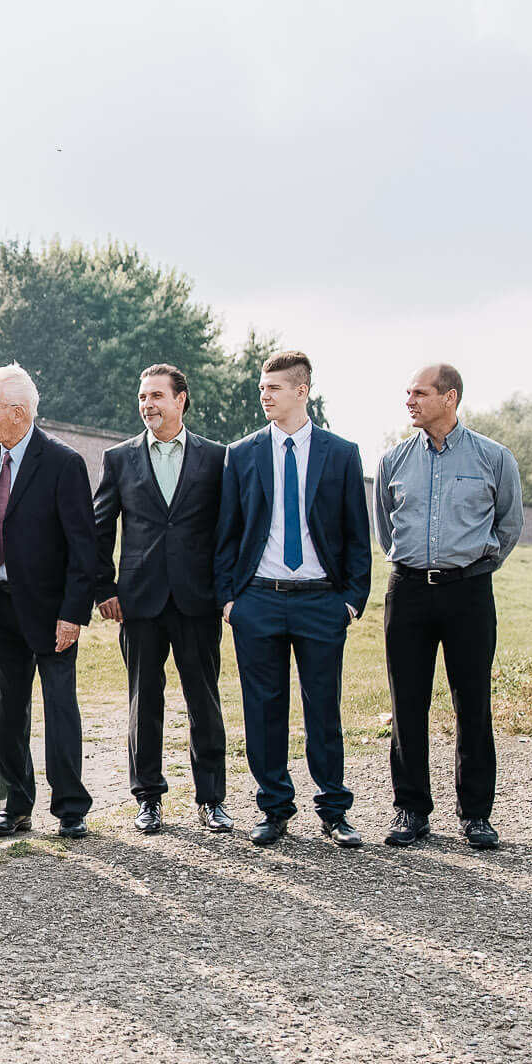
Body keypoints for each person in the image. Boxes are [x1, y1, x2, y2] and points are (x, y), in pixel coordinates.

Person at [214, 351, 372, 847]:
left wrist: (350, 600)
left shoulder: (341, 453)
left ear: (302, 391)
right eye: (262, 387)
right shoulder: (241, 453)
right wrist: (229, 600)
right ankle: (274, 808)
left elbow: (355, 534)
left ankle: (333, 809)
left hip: (321, 602)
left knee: (323, 707)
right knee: (263, 709)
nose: (264, 394)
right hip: (257, 601)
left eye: (274, 388)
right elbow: (227, 533)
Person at [374, 363, 524, 851]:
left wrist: (475, 567)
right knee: (407, 704)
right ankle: (411, 810)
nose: (410, 401)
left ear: (449, 398)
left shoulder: (494, 458)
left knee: (473, 704)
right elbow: (384, 528)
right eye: (408, 393)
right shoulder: (393, 461)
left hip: (469, 592)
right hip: (409, 591)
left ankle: (476, 814)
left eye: (419, 393)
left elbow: (508, 524)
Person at [94, 364, 231, 836]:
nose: (147, 404)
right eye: (141, 397)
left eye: (156, 396)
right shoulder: (119, 459)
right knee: (143, 701)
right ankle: (147, 798)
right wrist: (104, 588)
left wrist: (226, 591)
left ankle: (212, 799)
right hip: (139, 600)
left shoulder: (216, 458)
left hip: (198, 599)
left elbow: (227, 530)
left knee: (203, 700)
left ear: (181, 400)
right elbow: (100, 527)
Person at [0, 364, 96, 841]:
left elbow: (83, 547)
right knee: (11, 707)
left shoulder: (64, 462)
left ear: (18, 412)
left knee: (60, 705)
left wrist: (72, 613)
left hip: (51, 610)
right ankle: (14, 806)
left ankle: (70, 807)